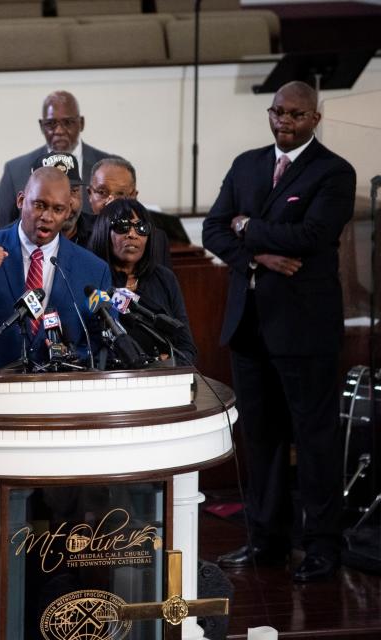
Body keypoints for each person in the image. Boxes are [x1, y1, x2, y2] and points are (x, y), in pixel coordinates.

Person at [202, 81, 355, 583]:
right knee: (261, 439)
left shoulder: (333, 171)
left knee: (314, 441)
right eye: (277, 112)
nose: (283, 122)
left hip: (304, 329)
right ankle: (266, 539)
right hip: (249, 326)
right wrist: (256, 250)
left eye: (294, 114)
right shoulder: (246, 164)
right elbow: (213, 229)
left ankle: (322, 546)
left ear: (315, 117)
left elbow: (312, 235)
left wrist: (248, 226)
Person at [0, 166, 112, 395]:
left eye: (58, 209)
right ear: (21, 200)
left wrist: (72, 359)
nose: (47, 217)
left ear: (68, 212)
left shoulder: (92, 269)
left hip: (58, 396)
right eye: (39, 205)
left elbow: (101, 345)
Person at [87, 199, 196, 366]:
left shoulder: (164, 278)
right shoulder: (91, 280)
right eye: (122, 226)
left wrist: (164, 364)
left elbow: (187, 348)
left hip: (161, 380)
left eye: (141, 227)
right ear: (104, 231)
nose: (132, 234)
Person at [0, 90, 113, 227]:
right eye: (51, 124)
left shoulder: (111, 168)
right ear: (41, 126)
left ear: (81, 123)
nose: (59, 131)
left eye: (68, 122)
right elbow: (6, 232)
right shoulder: (15, 170)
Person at [87, 156, 172, 268]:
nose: (111, 201)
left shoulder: (156, 239)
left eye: (120, 194)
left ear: (134, 197)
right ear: (90, 194)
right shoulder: (77, 234)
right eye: (102, 192)